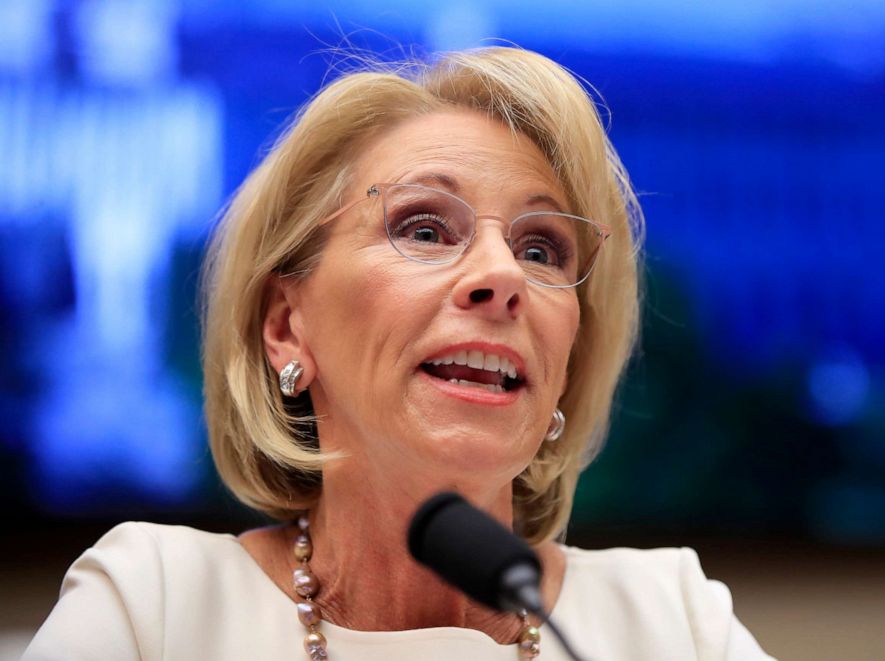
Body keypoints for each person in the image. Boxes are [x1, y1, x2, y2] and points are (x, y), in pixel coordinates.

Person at [23, 47, 773, 660]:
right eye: (424, 228)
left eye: (541, 247)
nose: (503, 277)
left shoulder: (672, 617)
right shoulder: (153, 605)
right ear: (286, 325)